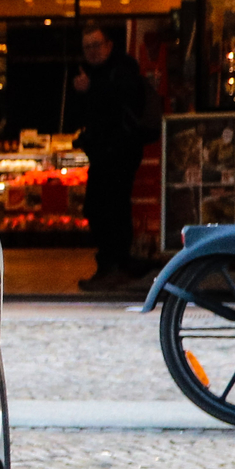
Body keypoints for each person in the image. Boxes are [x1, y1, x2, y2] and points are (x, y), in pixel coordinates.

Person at [70, 25, 158, 293]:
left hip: (120, 152)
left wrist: (90, 88)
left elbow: (120, 97)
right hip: (102, 152)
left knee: (111, 209)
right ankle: (113, 265)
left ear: (109, 44)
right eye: (88, 48)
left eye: (97, 45)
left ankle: (115, 267)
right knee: (98, 209)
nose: (93, 52)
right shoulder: (90, 74)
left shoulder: (124, 68)